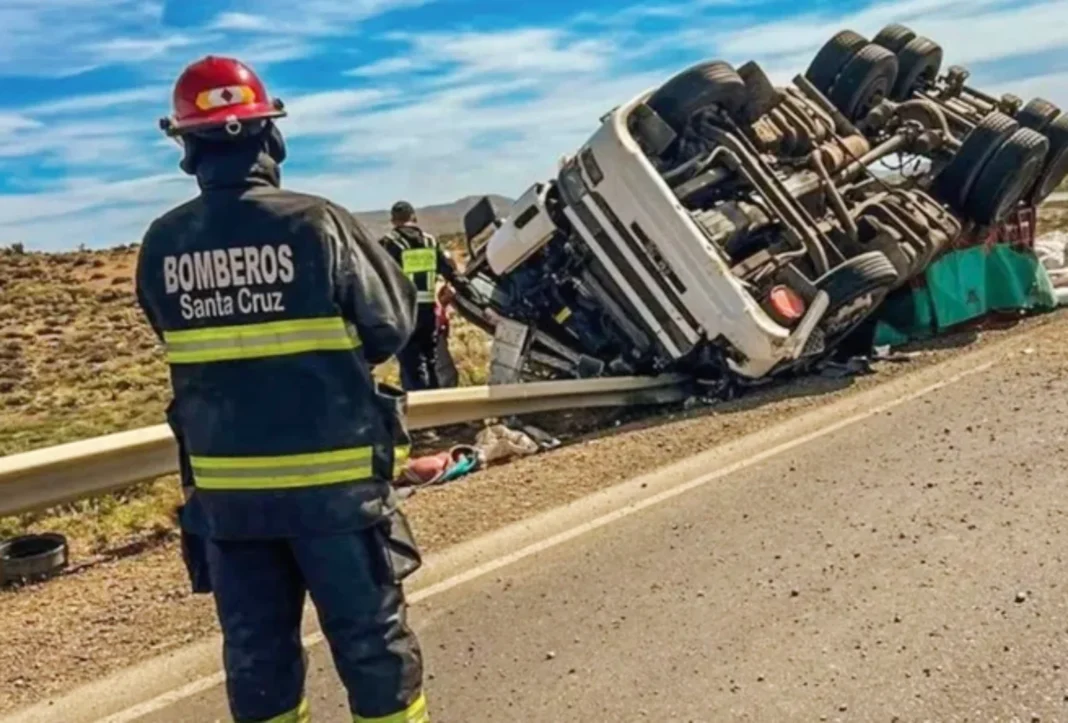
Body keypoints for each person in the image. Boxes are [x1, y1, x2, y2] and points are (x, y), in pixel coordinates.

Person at [134, 55, 431, 723]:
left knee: (257, 659)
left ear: (188, 148)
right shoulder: (317, 222)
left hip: (231, 506)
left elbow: (170, 333)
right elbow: (390, 325)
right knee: (372, 647)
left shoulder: (162, 242)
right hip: (337, 498)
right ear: (270, 138)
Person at [379, 201, 463, 391]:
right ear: (414, 218)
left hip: (404, 312)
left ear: (393, 220)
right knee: (431, 360)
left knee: (411, 364)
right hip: (428, 312)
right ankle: (435, 409)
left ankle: (420, 410)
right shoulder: (430, 242)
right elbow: (449, 270)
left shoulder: (389, 243)